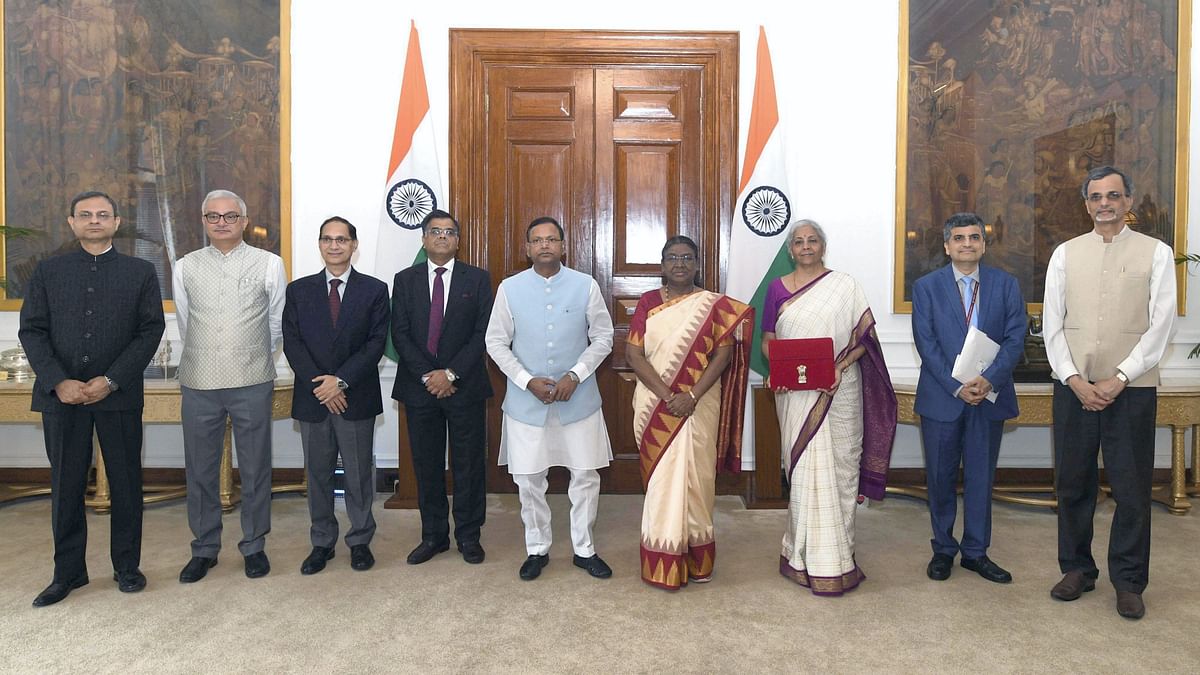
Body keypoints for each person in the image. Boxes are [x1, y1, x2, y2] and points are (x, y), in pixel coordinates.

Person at [19, 190, 165, 607]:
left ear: (117, 222)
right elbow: (32, 330)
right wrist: (58, 381)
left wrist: (112, 379)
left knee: (125, 483)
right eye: (86, 215)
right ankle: (68, 573)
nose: (94, 220)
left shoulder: (139, 272)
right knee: (66, 486)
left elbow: (149, 331)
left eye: (103, 215)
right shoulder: (49, 271)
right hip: (61, 397)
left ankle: (127, 567)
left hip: (117, 396)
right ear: (71, 223)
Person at [1042, 165, 1175, 620]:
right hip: (1074, 388)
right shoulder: (1064, 254)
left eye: (1113, 196)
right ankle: (1077, 569)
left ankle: (1129, 581)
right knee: (1074, 484)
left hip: (1132, 390)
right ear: (1086, 204)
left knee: (1132, 488)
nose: (1105, 204)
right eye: (1096, 197)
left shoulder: (1156, 254)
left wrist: (1120, 377)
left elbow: (1161, 326)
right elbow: (1053, 325)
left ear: (1128, 201)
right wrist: (1074, 379)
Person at [761, 219, 896, 596]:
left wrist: (837, 367)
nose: (806, 246)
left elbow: (863, 340)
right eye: (799, 242)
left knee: (840, 468)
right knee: (803, 469)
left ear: (823, 246)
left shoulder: (845, 286)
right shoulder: (776, 289)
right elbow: (768, 340)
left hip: (840, 387)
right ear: (791, 250)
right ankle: (802, 555)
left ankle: (838, 557)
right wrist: (781, 368)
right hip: (796, 393)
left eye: (813, 240)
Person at [485, 216, 615, 581]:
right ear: (527, 248)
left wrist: (576, 374)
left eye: (552, 239)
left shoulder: (584, 285)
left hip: (579, 400)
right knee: (528, 480)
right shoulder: (509, 289)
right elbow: (495, 341)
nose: (545, 245)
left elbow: (603, 337)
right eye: (537, 240)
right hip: (527, 403)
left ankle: (584, 549)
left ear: (563, 246)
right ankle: (537, 548)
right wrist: (526, 381)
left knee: (585, 476)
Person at [625, 236, 753, 590]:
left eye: (687, 257)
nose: (679, 263)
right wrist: (670, 396)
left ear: (697, 264)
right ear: (662, 264)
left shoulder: (714, 305)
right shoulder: (648, 303)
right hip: (656, 403)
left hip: (701, 402)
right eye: (672, 258)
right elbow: (634, 355)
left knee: (697, 480)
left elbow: (723, 355)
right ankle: (663, 558)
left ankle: (697, 560)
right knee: (663, 480)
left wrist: (692, 395)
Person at [173, 189, 287, 582]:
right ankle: (204, 548)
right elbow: (186, 324)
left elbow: (276, 323)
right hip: (199, 380)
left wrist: (252, 356)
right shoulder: (185, 266)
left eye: (230, 216)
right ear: (203, 221)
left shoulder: (270, 264)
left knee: (255, 468)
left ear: (243, 220)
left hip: (252, 379)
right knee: (200, 470)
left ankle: (254, 545)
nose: (221, 222)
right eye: (213, 216)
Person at [912, 212, 1025, 584]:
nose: (966, 244)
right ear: (946, 246)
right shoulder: (927, 287)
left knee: (980, 478)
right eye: (958, 238)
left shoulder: (1006, 285)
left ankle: (976, 552)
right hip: (944, 398)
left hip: (988, 396)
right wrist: (957, 386)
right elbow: (926, 343)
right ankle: (943, 549)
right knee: (941, 478)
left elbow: (1014, 338)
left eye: (974, 237)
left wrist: (988, 381)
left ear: (984, 244)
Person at [282, 216, 389, 574]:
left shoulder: (374, 290)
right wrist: (322, 386)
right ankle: (322, 542)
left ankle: (360, 540)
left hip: (354, 396)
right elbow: (292, 342)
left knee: (358, 474)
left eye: (342, 239)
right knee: (318, 474)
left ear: (354, 245)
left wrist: (340, 381)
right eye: (327, 239)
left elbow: (375, 344)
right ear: (320, 244)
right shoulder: (298, 291)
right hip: (314, 399)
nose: (334, 245)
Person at [390, 210, 493, 565]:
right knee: (427, 465)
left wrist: (450, 374)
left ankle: (469, 536)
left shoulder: (478, 279)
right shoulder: (404, 280)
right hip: (420, 388)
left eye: (449, 232)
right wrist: (429, 375)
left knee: (468, 465)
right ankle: (433, 536)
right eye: (435, 231)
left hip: (464, 386)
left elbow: (483, 333)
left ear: (458, 240)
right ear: (423, 238)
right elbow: (400, 333)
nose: (442, 237)